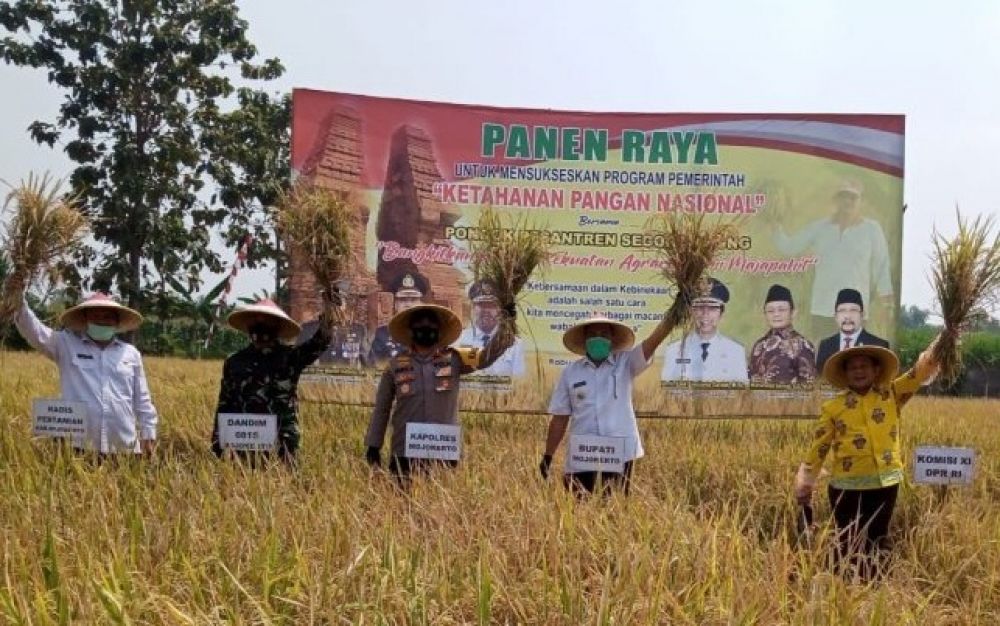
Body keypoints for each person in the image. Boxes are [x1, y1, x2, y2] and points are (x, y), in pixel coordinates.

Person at [793, 339, 941, 580]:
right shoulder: (833, 407)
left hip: (885, 483)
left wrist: (942, 342)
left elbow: (918, 374)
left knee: (877, 537)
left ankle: (875, 590)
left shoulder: (892, 394)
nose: (859, 371)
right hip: (846, 487)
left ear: (876, 370)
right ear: (845, 373)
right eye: (853, 367)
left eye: (864, 366)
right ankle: (843, 589)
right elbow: (819, 447)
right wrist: (805, 480)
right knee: (847, 540)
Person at [540, 300, 679, 495]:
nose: (598, 338)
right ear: (584, 339)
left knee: (616, 512)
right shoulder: (570, 373)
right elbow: (560, 418)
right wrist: (548, 455)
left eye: (604, 334)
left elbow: (653, 342)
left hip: (619, 455)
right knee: (578, 509)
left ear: (612, 340)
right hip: (583, 456)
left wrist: (675, 313)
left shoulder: (626, 364)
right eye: (593, 334)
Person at [364, 303, 513, 485]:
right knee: (402, 506)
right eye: (420, 326)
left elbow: (486, 357)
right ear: (411, 331)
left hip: (444, 450)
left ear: (439, 331)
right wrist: (374, 445)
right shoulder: (395, 365)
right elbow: (382, 408)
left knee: (442, 505)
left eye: (431, 326)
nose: (426, 329)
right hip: (404, 450)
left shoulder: (458, 357)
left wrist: (507, 326)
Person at [12, 292, 157, 455]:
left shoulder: (131, 353)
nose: (101, 319)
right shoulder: (66, 344)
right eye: (95, 315)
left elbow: (142, 398)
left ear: (116, 322)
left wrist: (149, 433)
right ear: (85, 320)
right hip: (79, 448)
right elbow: (34, 331)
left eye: (107, 316)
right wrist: (17, 298)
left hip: (123, 446)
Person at [212, 298, 333, 462]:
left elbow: (319, 342)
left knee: (284, 483)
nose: (260, 323)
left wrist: (330, 312)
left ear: (276, 325)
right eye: (255, 318)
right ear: (249, 324)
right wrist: (217, 442)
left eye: (266, 319)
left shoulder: (291, 357)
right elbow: (225, 403)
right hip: (243, 439)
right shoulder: (234, 362)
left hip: (283, 439)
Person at [772, 179, 894, 338]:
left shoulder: (871, 229)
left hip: (855, 311)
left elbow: (881, 266)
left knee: (852, 359)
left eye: (853, 197)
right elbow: (790, 247)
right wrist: (774, 226)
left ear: (860, 201)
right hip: (823, 308)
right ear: (836, 200)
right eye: (843, 196)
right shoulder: (820, 227)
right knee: (824, 359)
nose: (848, 201)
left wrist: (887, 304)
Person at [660, 278, 748, 384]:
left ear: (722, 314)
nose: (705, 314)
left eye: (712, 308)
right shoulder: (674, 351)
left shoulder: (736, 351)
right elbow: (666, 395)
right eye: (699, 306)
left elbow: (742, 396)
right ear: (690, 312)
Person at [748, 284, 817, 385]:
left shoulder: (803, 345)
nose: (776, 314)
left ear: (793, 313)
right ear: (765, 314)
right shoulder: (759, 345)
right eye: (771, 310)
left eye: (782, 309)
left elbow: (809, 386)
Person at [454, 279, 525, 377]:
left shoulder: (513, 343)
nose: (486, 310)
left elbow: (519, 383)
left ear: (500, 309)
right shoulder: (460, 339)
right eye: (481, 305)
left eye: (492, 305)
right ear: (473, 307)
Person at [815, 288, 889, 373]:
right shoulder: (826, 345)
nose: (847, 316)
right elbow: (820, 378)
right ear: (835, 316)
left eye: (853, 310)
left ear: (862, 315)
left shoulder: (879, 345)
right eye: (842, 311)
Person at [370, 272, 429, 364]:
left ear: (421, 304)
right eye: (403, 300)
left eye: (413, 300)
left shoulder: (432, 334)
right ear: (396, 304)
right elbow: (373, 368)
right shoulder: (383, 334)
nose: (408, 304)